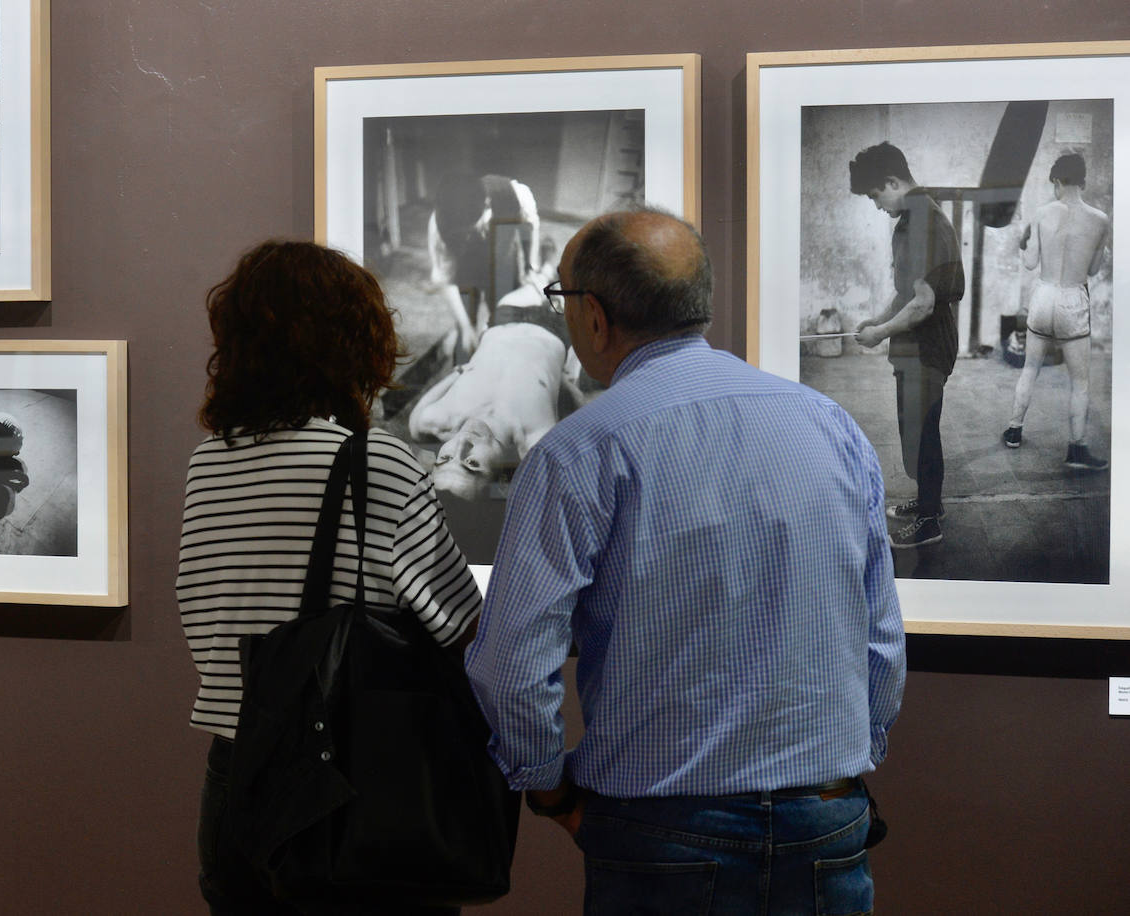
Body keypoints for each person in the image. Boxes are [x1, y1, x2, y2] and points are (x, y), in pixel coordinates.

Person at [464, 207, 906, 916]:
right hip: (827, 818)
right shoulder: (829, 426)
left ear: (594, 317)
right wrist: (844, 763)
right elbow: (880, 636)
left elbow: (512, 665)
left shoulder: (578, 453)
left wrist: (547, 789)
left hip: (660, 832)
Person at [176, 240, 483, 915]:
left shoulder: (209, 462)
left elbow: (204, 613)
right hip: (355, 783)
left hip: (236, 783)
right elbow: (463, 627)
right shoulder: (379, 464)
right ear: (357, 342)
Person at [850, 141, 965, 549]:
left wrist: (880, 333)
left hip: (927, 345)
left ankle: (930, 521)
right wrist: (879, 320)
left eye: (875, 195)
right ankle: (929, 502)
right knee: (914, 430)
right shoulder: (914, 217)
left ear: (892, 182)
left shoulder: (924, 222)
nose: (876, 205)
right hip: (915, 344)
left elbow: (923, 303)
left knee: (923, 431)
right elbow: (907, 293)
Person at [409, 268, 583, 501]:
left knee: (543, 274)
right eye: (472, 463)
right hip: (556, 327)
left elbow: (417, 414)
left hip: (507, 317)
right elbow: (585, 420)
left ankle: (544, 271)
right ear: (499, 478)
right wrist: (560, 380)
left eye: (445, 458)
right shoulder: (534, 441)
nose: (462, 444)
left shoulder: (431, 421)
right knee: (576, 274)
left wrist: (459, 372)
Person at [1002, 152, 1111, 471]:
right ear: (1083, 182)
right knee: (1080, 381)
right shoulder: (1100, 220)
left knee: (1030, 368)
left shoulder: (1041, 214)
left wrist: (1023, 243)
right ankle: (1077, 448)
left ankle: (1014, 430)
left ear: (1057, 182)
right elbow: (1093, 269)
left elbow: (1030, 263)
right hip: (1073, 298)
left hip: (1044, 296)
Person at [428, 172, 543, 357]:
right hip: (465, 269)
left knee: (506, 321)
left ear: (487, 204)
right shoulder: (439, 225)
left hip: (503, 262)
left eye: (472, 228)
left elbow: (530, 226)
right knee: (465, 338)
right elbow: (444, 279)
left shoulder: (516, 194)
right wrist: (466, 327)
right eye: (462, 234)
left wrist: (531, 266)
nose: (468, 237)